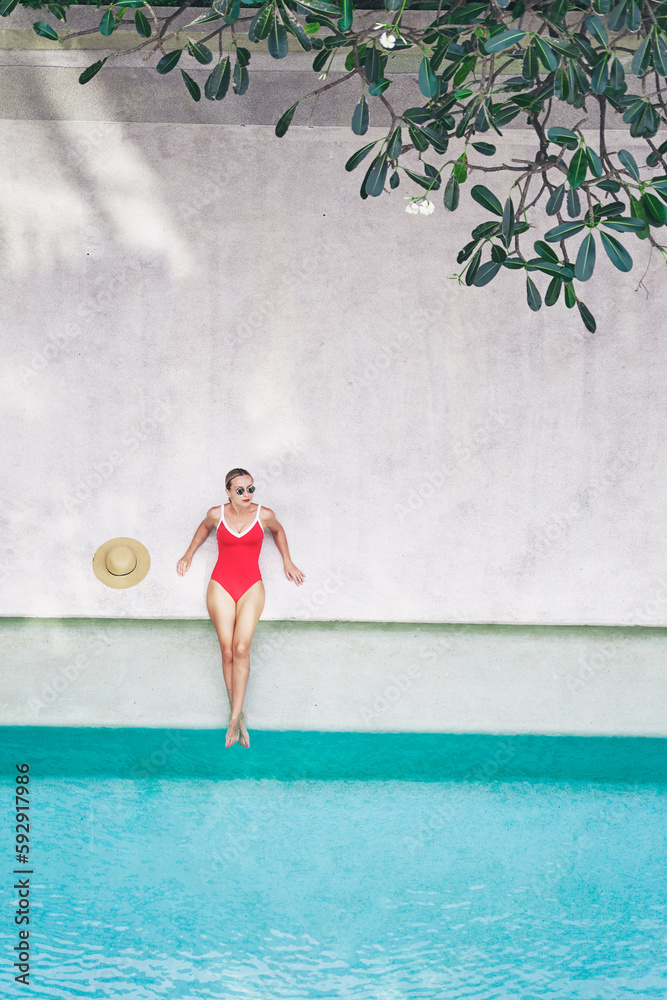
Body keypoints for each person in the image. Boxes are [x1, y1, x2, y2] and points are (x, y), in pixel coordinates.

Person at [177, 468, 305, 748]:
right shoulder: (216, 514)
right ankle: (236, 711)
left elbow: (279, 531)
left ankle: (235, 716)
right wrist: (188, 553)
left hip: (251, 586)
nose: (247, 494)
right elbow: (203, 529)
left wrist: (288, 561)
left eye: (251, 489)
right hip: (221, 584)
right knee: (226, 649)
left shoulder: (264, 515)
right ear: (227, 491)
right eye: (240, 490)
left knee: (241, 648)